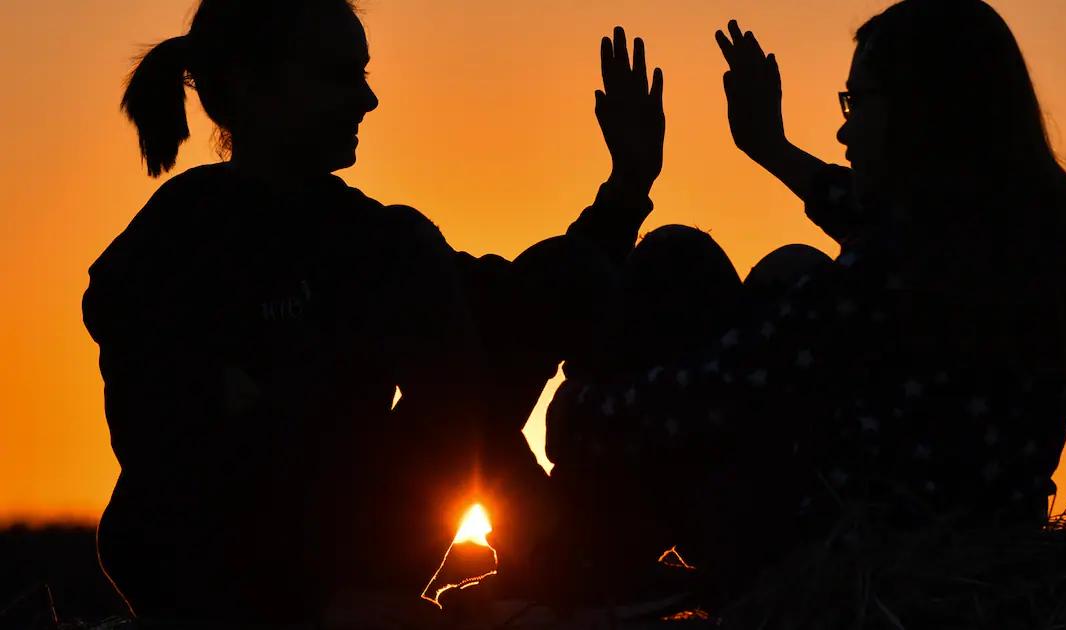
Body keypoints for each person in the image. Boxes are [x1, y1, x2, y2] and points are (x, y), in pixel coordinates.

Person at [83, 0, 664, 622]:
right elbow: (162, 481)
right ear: (253, 90)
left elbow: (520, 306)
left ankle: (568, 552)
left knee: (531, 283)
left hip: (357, 547)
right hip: (226, 574)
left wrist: (626, 189)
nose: (368, 101)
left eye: (364, 75)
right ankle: (557, 559)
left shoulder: (375, 241)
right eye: (340, 76)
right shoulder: (174, 246)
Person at [545, 0, 1066, 589]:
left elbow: (726, 384)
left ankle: (569, 559)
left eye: (858, 103)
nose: (843, 130)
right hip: (971, 548)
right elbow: (867, 214)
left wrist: (580, 413)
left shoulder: (891, 273)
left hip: (842, 554)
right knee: (791, 268)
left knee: (681, 259)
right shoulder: (1028, 229)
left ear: (920, 113)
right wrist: (768, 146)